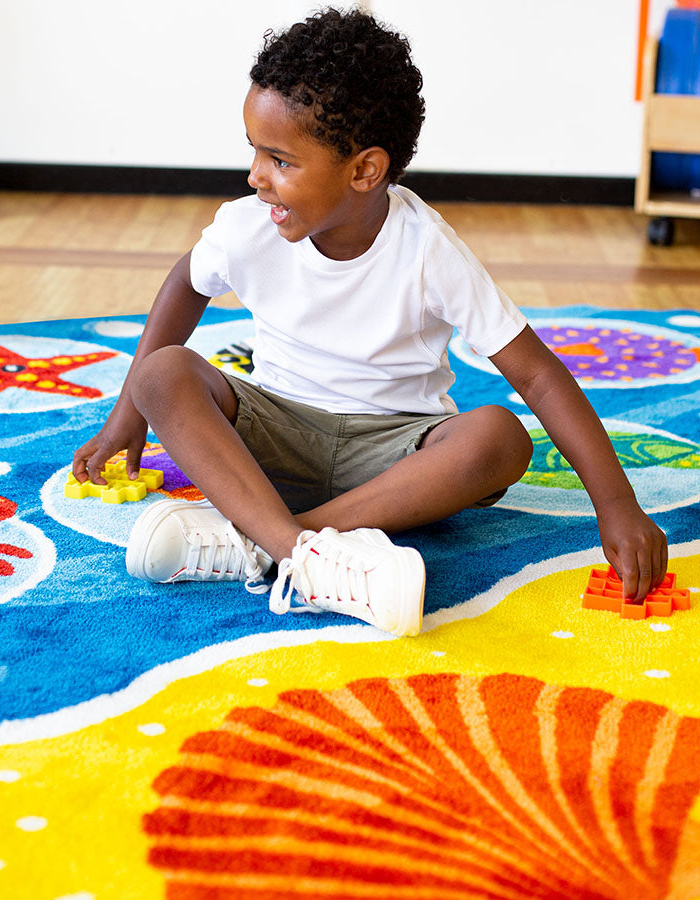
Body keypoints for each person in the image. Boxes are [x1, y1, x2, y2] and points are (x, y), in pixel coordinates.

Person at [72, 7, 668, 637]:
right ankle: (303, 551)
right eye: (254, 151)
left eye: (280, 160)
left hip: (396, 457)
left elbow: (540, 377)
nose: (256, 177)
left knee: (499, 435)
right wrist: (127, 415)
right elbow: (184, 285)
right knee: (162, 375)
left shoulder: (427, 249)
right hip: (275, 436)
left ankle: (271, 539)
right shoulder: (248, 224)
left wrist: (616, 505)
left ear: (364, 170)